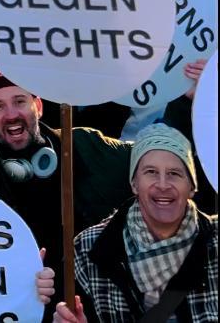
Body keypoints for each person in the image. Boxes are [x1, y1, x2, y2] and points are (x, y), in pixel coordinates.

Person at [0, 72, 131, 283]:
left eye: (19, 101)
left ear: (38, 106)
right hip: (20, 292)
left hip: (91, 286)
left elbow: (147, 155)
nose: (11, 115)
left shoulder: (84, 145)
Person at [54, 125, 217, 323]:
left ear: (191, 187)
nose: (163, 185)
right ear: (134, 184)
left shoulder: (215, 241)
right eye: (151, 172)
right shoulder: (87, 249)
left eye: (174, 173)